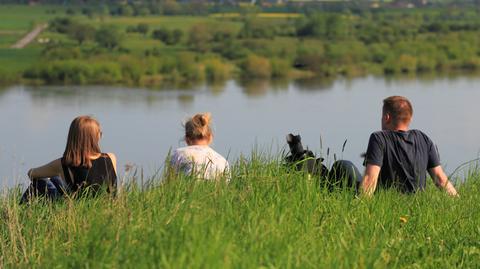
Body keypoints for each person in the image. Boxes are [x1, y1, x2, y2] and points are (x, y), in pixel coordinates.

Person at [361, 96, 458, 196]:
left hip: (386, 202)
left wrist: (362, 207)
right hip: (417, 204)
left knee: (345, 166)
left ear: (387, 118)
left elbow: (370, 179)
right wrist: (457, 201)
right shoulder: (423, 138)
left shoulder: (378, 138)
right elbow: (440, 178)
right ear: (410, 118)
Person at [21, 115, 117, 203]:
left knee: (39, 182)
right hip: (108, 208)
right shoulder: (110, 158)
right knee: (55, 179)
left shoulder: (65, 163)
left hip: (76, 209)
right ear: (95, 137)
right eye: (100, 133)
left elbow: (31, 173)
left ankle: (22, 211)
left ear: (73, 137)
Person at [169, 113, 230, 181]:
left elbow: (170, 183)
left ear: (187, 139)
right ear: (210, 137)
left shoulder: (178, 154)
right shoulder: (223, 161)